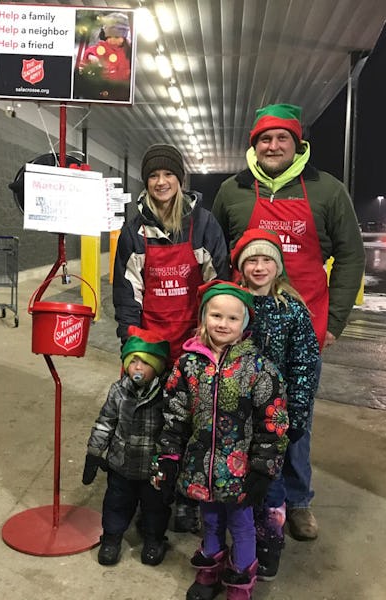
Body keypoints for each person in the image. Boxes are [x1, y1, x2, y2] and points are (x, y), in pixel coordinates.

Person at [211, 103, 364, 541]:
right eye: (265, 138)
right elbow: (217, 255)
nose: (273, 146)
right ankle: (237, 492)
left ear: (298, 144)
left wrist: (333, 321)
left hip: (304, 329)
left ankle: (296, 501)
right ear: (253, 145)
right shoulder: (233, 191)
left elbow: (352, 256)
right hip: (241, 331)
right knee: (236, 416)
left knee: (295, 420)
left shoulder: (327, 190)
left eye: (282, 138)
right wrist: (217, 318)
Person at [113, 144, 229, 533]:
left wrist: (212, 341)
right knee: (149, 427)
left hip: (195, 346)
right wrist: (132, 347)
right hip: (151, 347)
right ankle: (153, 499)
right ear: (146, 182)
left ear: (180, 179)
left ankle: (187, 499)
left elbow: (218, 288)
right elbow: (127, 294)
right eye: (153, 176)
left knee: (194, 428)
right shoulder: (134, 231)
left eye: (168, 174)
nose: (161, 182)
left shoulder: (205, 225)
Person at [153, 280, 289, 600]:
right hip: (201, 467)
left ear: (245, 323)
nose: (223, 324)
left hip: (240, 471)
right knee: (210, 520)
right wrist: (169, 457)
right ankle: (209, 570)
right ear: (203, 318)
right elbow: (174, 413)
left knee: (242, 526)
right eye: (216, 315)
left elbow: (274, 421)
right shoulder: (188, 364)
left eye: (232, 318)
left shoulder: (258, 369)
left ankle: (241, 581)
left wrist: (262, 468)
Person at [231, 229, 319, 580]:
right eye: (251, 259)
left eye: (267, 259)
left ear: (278, 266)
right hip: (235, 412)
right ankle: (240, 542)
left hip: (274, 415)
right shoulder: (232, 303)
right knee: (235, 476)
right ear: (241, 266)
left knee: (271, 480)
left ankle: (269, 544)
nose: (259, 266)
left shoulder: (293, 310)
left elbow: (304, 364)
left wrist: (296, 412)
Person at [82, 326, 172, 567]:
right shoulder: (118, 391)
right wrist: (94, 452)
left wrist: (172, 460)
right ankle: (111, 539)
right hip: (120, 465)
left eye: (145, 363)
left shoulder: (166, 396)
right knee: (115, 504)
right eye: (133, 362)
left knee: (155, 507)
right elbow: (105, 422)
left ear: (158, 366)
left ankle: (154, 539)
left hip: (154, 469)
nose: (138, 368)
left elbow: (174, 430)